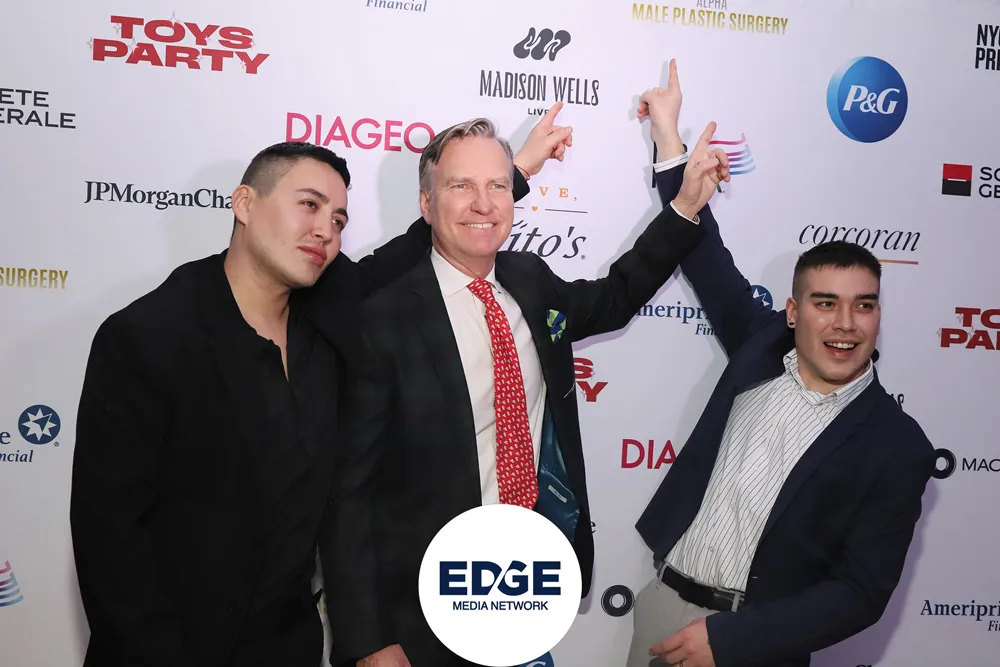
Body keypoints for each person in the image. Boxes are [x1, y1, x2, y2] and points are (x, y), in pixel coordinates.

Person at [70, 109, 573, 667]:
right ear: (244, 204)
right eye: (308, 205)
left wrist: (505, 179)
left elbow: (439, 240)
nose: (324, 230)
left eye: (338, 219)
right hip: (169, 646)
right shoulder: (149, 335)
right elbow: (109, 540)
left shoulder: (330, 323)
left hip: (286, 643)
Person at [319, 94, 732, 666]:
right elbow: (348, 497)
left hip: (520, 592)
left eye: (498, 185)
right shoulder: (381, 317)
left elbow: (614, 298)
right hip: (417, 614)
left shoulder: (529, 280)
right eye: (461, 186)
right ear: (426, 202)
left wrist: (684, 206)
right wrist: (369, 641)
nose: (483, 203)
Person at [626, 67, 937, 667]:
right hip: (662, 610)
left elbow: (860, 594)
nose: (845, 323)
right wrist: (668, 138)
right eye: (825, 303)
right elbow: (702, 251)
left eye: (863, 305)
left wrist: (731, 640)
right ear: (793, 313)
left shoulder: (897, 445)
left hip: (755, 647)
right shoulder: (760, 346)